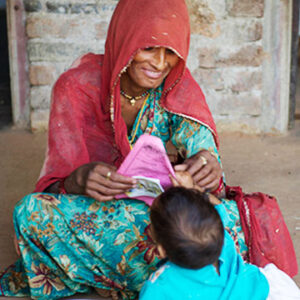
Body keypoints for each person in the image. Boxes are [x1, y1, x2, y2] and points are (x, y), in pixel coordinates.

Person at [0, 0, 266, 299]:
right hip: (100, 211)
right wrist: (78, 180)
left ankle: (113, 279)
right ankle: (177, 281)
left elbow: (210, 178)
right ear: (124, 39)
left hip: (160, 212)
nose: (160, 63)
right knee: (30, 214)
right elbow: (54, 187)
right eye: (149, 48)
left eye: (171, 52)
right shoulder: (76, 87)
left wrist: (205, 166)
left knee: (225, 222)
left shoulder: (177, 86)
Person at [140, 186, 300, 300]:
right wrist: (193, 188)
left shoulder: (159, 286)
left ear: (160, 250)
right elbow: (217, 205)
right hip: (259, 291)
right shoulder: (219, 236)